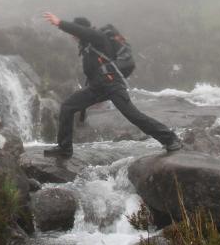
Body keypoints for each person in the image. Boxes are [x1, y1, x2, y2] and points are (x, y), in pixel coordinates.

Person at [42, 12, 182, 157]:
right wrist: (86, 103)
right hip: (97, 88)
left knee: (133, 115)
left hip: (112, 85)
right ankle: (64, 149)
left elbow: (82, 31)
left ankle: (170, 139)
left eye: (75, 32)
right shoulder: (88, 47)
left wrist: (59, 23)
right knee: (68, 106)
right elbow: (93, 73)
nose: (73, 37)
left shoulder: (97, 38)